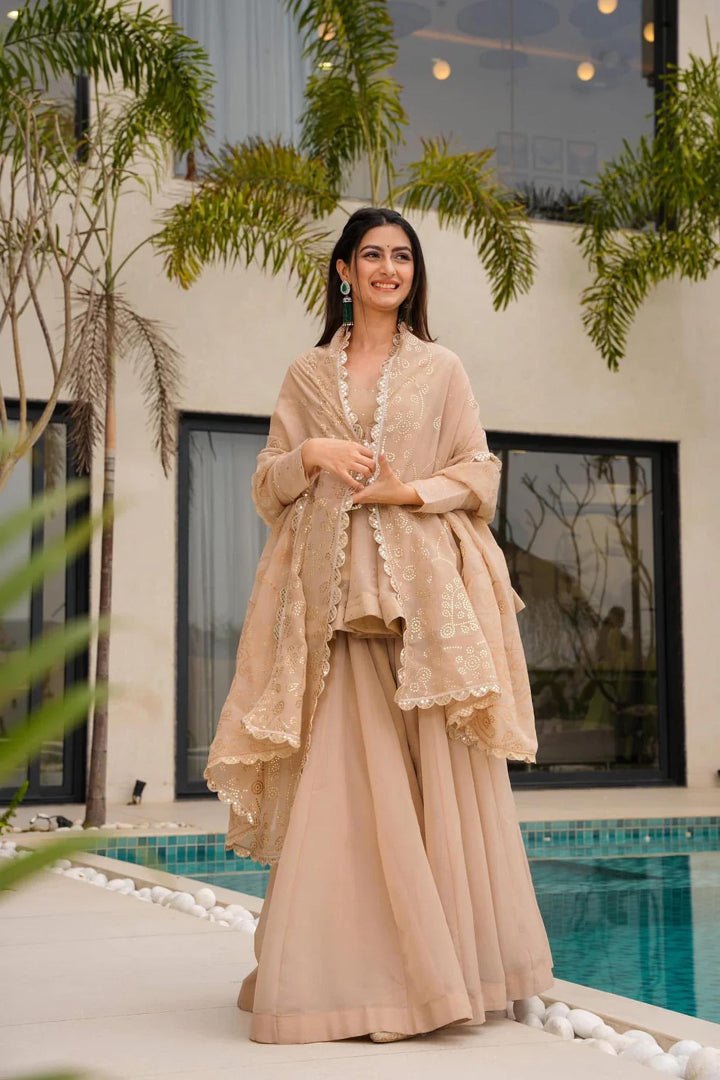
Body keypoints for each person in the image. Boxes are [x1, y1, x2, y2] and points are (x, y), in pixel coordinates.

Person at [205, 206, 554, 1045]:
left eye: (402, 256)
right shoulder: (306, 375)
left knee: (437, 790)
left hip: (425, 613)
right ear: (344, 271)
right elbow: (266, 486)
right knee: (343, 800)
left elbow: (479, 469)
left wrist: (407, 492)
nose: (388, 269)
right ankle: (348, 982)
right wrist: (312, 457)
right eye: (373, 255)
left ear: (412, 274)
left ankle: (450, 974)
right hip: (331, 613)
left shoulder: (441, 370)